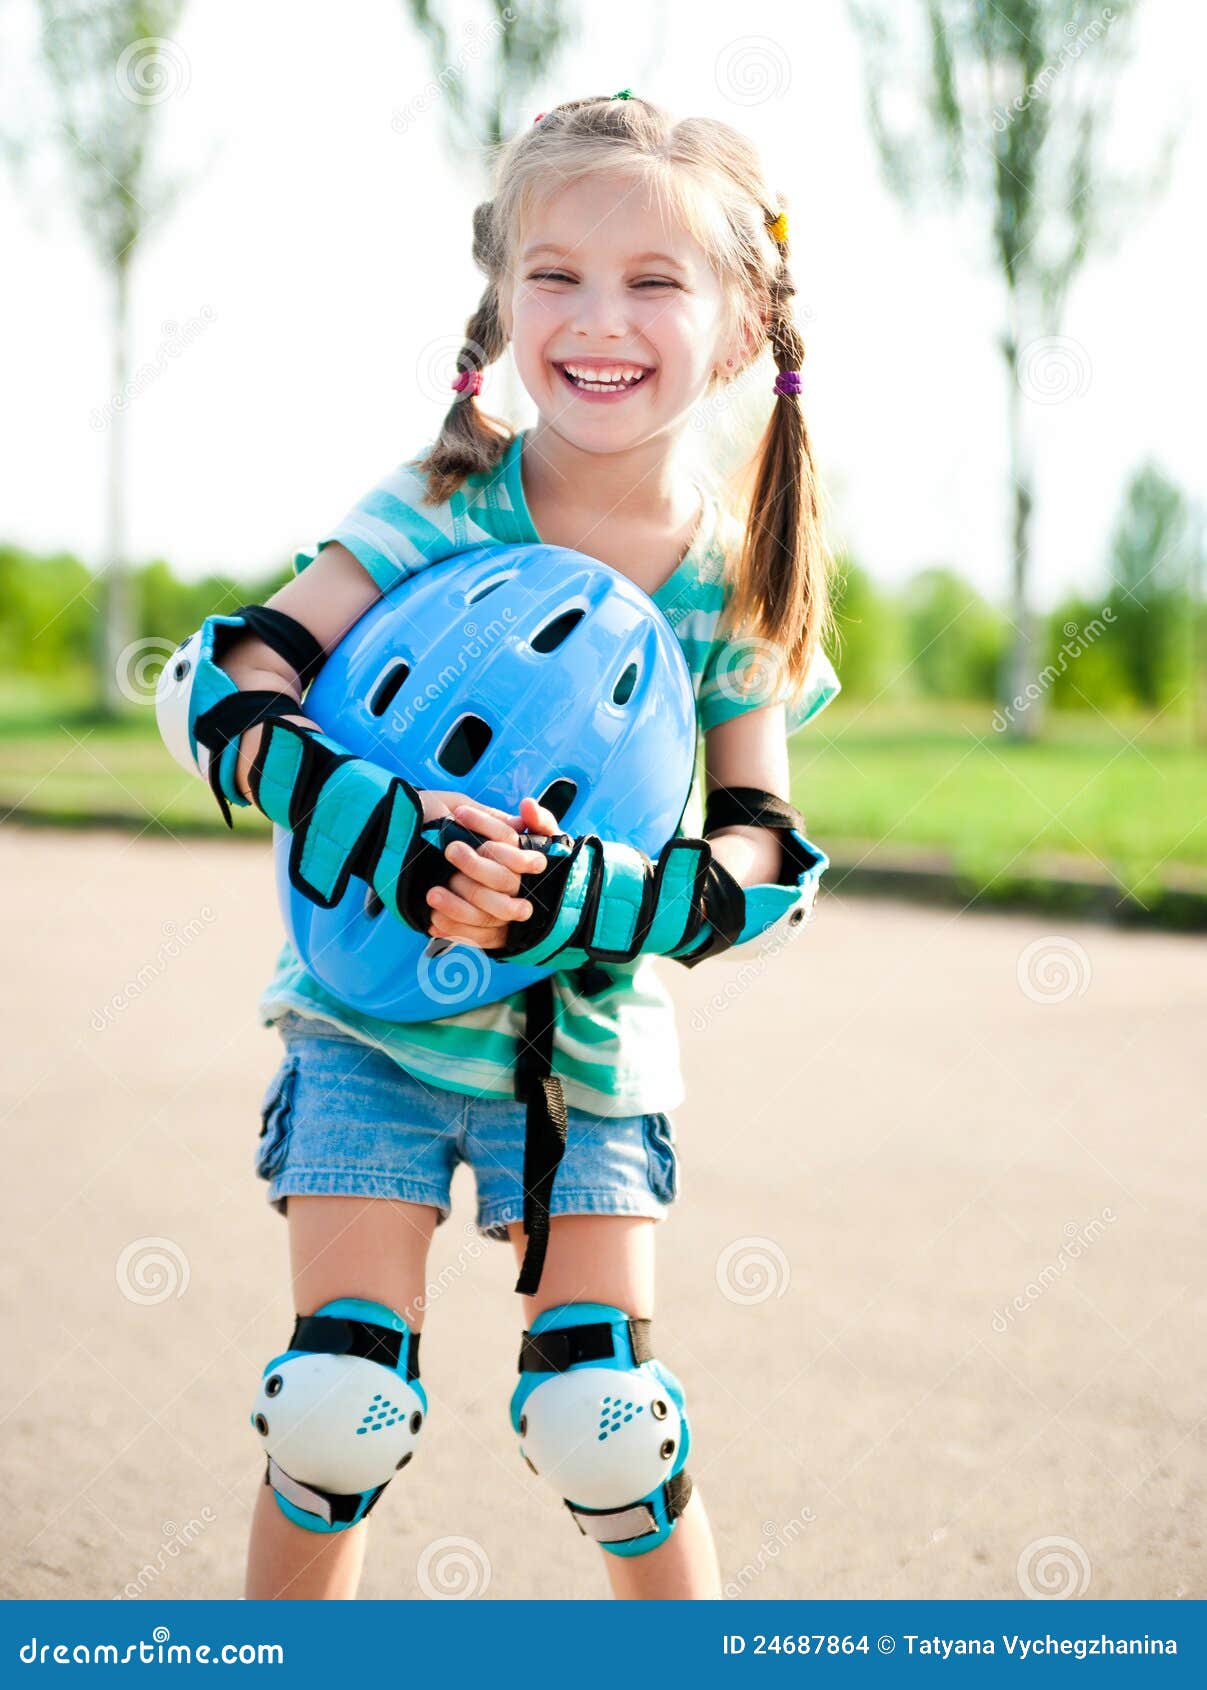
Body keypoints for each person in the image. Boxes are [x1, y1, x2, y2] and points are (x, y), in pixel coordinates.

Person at [162, 91, 840, 1601]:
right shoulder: (439, 504)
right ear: (504, 301)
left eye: (655, 281)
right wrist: (387, 834)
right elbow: (240, 671)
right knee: (337, 1407)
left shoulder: (735, 581)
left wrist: (586, 894)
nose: (600, 318)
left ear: (738, 331)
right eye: (558, 274)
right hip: (369, 1020)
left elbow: (770, 853)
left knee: (609, 1425)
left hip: (586, 1055)